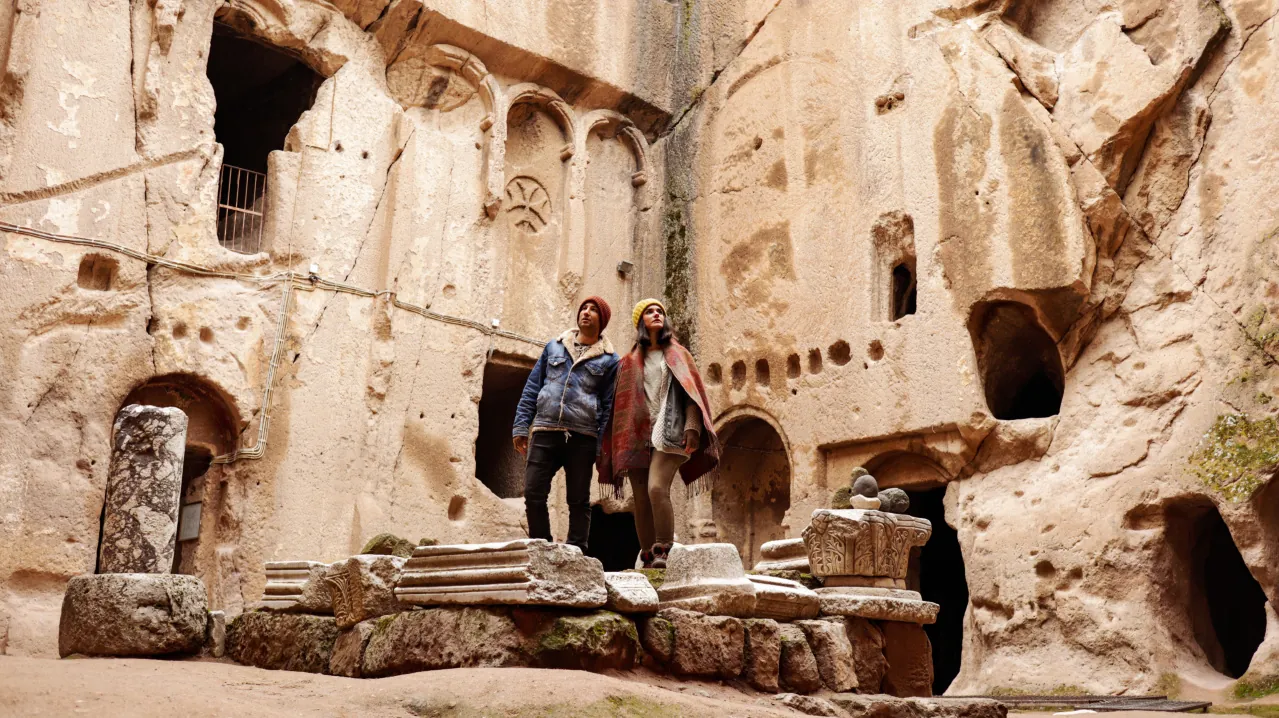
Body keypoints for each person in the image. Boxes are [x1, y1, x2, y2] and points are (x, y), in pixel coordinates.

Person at [598, 299, 719, 569]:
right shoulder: (627, 362)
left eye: (660, 311)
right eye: (650, 312)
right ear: (641, 322)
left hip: (672, 431)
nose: (656, 314)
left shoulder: (679, 355)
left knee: (656, 488)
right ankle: (648, 556)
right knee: (640, 496)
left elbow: (692, 395)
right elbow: (620, 404)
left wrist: (692, 427)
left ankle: (664, 549)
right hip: (636, 436)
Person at [512, 297, 619, 553]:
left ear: (601, 321)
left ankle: (577, 551)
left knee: (578, 500)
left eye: (594, 310)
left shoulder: (610, 360)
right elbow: (532, 387)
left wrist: (601, 446)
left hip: (582, 436)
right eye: (584, 308)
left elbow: (608, 406)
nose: (587, 312)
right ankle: (541, 547)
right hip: (545, 430)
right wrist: (520, 425)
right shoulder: (554, 347)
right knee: (533, 493)